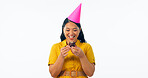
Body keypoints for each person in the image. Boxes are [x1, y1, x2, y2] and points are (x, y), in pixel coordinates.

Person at [48, 3, 95, 78]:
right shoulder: (56, 47)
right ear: (63, 30)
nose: (71, 33)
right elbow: (53, 74)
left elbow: (90, 73)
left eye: (75, 30)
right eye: (67, 30)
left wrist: (82, 56)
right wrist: (61, 56)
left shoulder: (87, 47)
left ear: (79, 30)